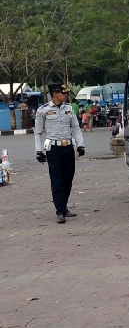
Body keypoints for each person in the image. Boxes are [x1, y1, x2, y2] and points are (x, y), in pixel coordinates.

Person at [34, 82, 85, 224]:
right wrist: (39, 151)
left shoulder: (69, 108)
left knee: (68, 179)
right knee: (56, 180)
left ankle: (64, 206)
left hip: (68, 148)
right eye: (63, 93)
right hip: (53, 150)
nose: (66, 95)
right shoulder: (42, 110)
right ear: (55, 94)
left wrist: (80, 145)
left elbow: (76, 128)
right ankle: (60, 211)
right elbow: (37, 133)